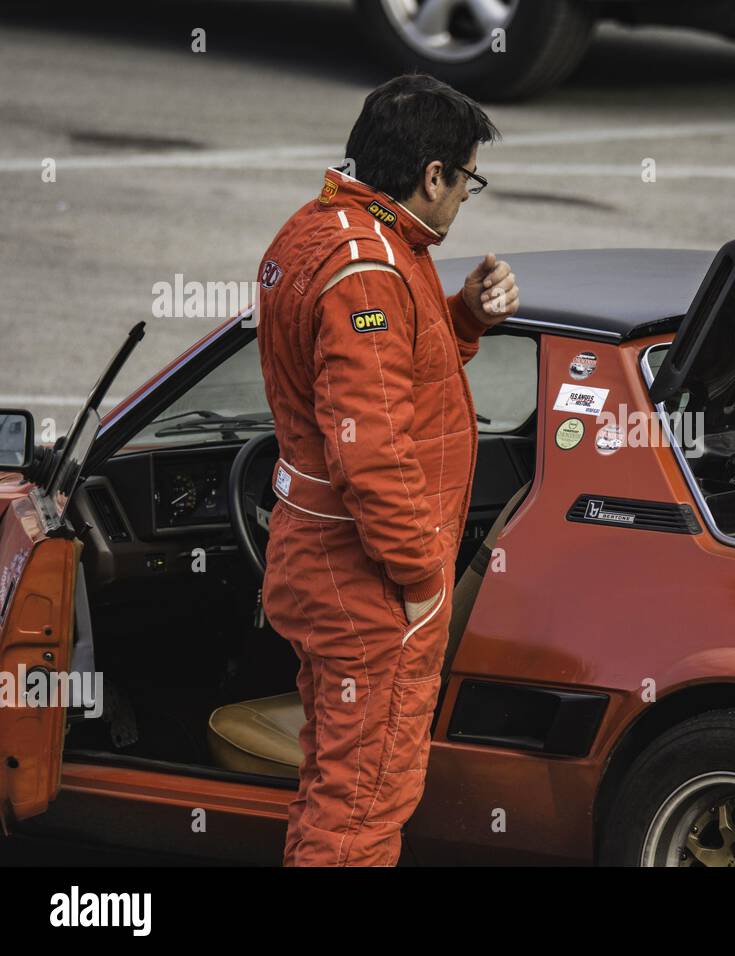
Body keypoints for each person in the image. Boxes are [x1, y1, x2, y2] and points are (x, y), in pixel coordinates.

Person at [254, 74, 517, 866]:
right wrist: (424, 581)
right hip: (368, 584)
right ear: (432, 174)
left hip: (322, 562)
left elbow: (388, 371)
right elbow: (368, 445)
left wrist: (462, 315)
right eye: (467, 180)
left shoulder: (322, 230)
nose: (466, 198)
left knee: (335, 788)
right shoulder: (370, 267)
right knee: (364, 810)